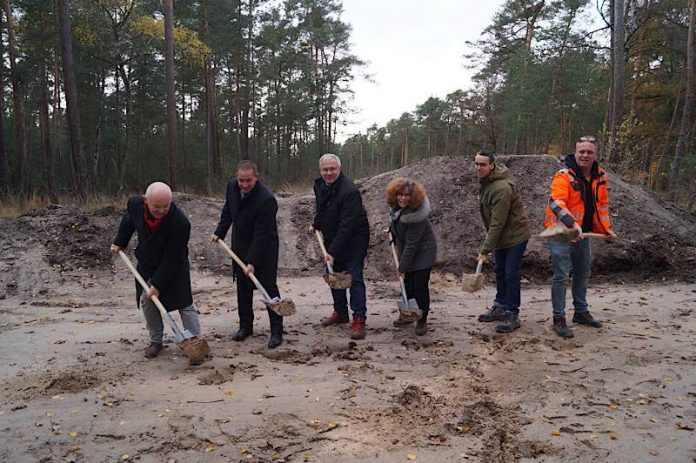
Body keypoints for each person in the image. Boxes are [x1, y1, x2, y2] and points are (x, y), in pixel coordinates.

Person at [111, 182, 202, 360]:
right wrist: (120, 241)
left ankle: (195, 342)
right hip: (147, 261)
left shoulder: (180, 223)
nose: (161, 210)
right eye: (156, 206)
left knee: (184, 303)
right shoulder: (135, 205)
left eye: (165, 206)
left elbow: (172, 258)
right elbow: (129, 221)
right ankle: (156, 341)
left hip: (174, 265)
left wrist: (158, 284)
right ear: (146, 201)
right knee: (147, 300)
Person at [544, 136, 617, 338]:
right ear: (575, 153)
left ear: (595, 155)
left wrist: (606, 229)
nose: (585, 155)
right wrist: (572, 223)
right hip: (561, 233)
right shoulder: (563, 175)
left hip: (583, 235)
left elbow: (601, 206)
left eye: (589, 152)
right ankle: (559, 318)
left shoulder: (600, 176)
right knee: (561, 277)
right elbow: (555, 202)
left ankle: (581, 312)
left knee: (582, 274)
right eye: (581, 152)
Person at [212, 160, 284, 349]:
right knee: (243, 287)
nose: (244, 185)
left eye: (248, 181)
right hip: (240, 244)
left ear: (256, 178)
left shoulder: (266, 199)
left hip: (265, 247)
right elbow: (228, 210)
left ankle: (276, 331)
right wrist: (220, 231)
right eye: (241, 180)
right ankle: (246, 326)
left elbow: (262, 234)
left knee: (267, 287)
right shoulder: (232, 187)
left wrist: (252, 261)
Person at [311, 153, 370, 340]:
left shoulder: (349, 191)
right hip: (332, 236)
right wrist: (316, 223)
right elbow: (321, 207)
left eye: (332, 169)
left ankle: (359, 319)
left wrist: (332, 252)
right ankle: (340, 313)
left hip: (354, 240)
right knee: (334, 277)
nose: (328, 173)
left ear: (340, 169)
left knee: (354, 279)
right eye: (325, 169)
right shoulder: (320, 185)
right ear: (320, 170)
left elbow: (348, 225)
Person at [474, 150, 532, 333]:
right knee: (499, 271)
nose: (479, 168)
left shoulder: (501, 188)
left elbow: (498, 222)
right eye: (476, 164)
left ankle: (512, 313)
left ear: (492, 165)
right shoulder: (488, 184)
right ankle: (499, 306)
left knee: (510, 274)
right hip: (502, 237)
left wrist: (485, 249)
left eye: (483, 164)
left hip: (515, 236)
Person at [386, 177, 437, 336]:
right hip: (409, 250)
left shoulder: (417, 216)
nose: (403, 198)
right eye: (400, 194)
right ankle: (408, 315)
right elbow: (396, 224)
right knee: (408, 285)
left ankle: (422, 319)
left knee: (419, 287)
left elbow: (412, 244)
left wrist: (402, 268)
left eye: (407, 195)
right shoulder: (396, 208)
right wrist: (392, 233)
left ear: (413, 197)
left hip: (423, 252)